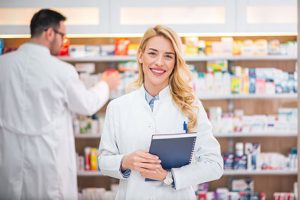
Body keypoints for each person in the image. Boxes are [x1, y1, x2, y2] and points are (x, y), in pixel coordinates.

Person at [0, 9, 120, 199]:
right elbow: (87, 104)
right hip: (48, 164)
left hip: (9, 162)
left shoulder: (3, 65)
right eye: (62, 35)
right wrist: (106, 83)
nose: (64, 41)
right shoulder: (61, 71)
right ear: (49, 33)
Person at [98, 25, 223, 199]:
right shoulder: (118, 107)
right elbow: (103, 161)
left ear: (175, 62)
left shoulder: (190, 105)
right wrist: (126, 161)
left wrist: (168, 177)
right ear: (140, 56)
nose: (159, 62)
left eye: (168, 56)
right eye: (152, 53)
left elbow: (214, 164)